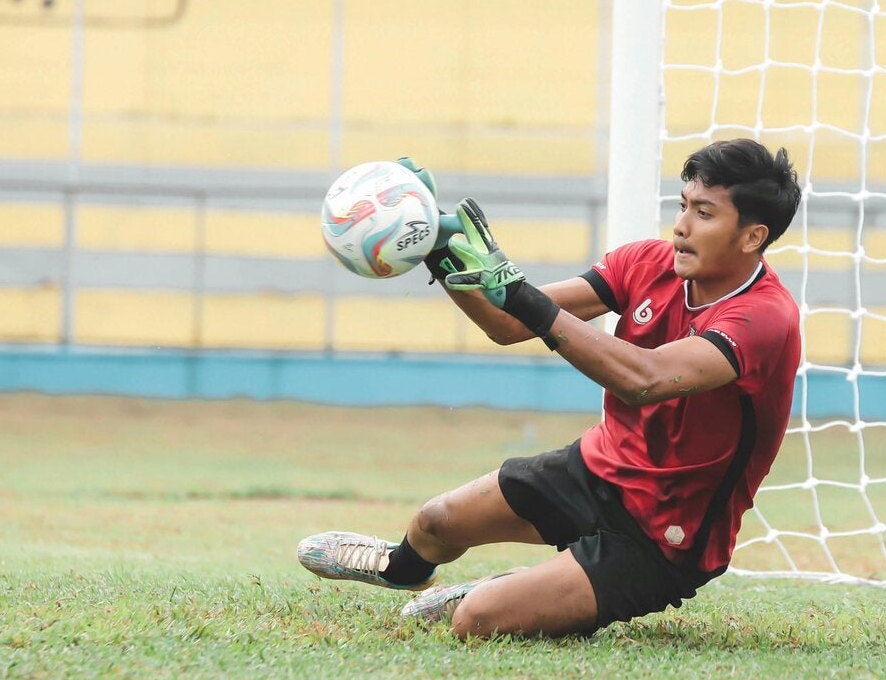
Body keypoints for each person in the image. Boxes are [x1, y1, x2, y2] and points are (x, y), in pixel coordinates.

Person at [297, 138, 803, 638]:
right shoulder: (646, 263)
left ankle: (496, 592)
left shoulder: (764, 316)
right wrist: (438, 250)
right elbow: (508, 323)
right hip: (599, 468)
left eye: (704, 213)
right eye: (683, 205)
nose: (681, 225)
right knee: (436, 521)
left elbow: (644, 379)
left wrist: (520, 295)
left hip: (665, 534)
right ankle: (402, 568)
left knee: (478, 620)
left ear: (752, 237)